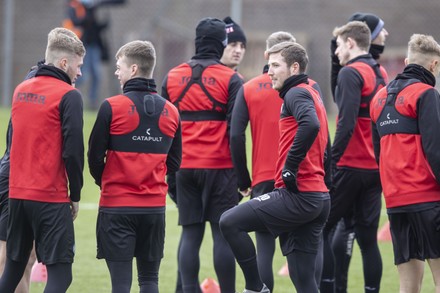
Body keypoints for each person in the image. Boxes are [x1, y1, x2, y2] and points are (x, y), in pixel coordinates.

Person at [220, 41, 330, 293]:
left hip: (298, 195)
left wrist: (290, 166)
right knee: (304, 279)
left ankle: (255, 287)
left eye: (275, 65)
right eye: (269, 65)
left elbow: (310, 124)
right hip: (318, 197)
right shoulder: (311, 91)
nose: (269, 71)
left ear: (294, 67)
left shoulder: (296, 93)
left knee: (229, 222)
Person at [88, 40, 182, 293]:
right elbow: (174, 162)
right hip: (153, 209)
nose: (116, 72)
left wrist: (106, 179)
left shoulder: (111, 107)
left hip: (117, 207)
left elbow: (94, 156)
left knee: (120, 284)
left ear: (133, 69)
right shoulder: (171, 111)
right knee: (150, 280)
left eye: (119, 67)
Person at [0, 27, 85, 293]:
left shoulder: (21, 89)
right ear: (64, 63)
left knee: (13, 269)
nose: (80, 72)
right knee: (61, 275)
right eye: (78, 65)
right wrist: (76, 194)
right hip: (49, 197)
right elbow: (72, 151)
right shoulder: (69, 95)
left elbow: (12, 142)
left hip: (17, 196)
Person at [161, 17, 243, 293]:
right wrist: (242, 176)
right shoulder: (232, 79)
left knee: (191, 234)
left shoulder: (171, 77)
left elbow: (165, 130)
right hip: (220, 167)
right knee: (222, 234)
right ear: (221, 44)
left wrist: (170, 173)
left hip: (184, 167)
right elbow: (235, 132)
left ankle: (187, 290)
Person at [370, 33, 440, 293]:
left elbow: (379, 155)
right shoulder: (426, 94)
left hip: (396, 203)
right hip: (428, 198)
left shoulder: (378, 99)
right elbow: (435, 150)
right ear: (433, 66)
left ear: (409, 61)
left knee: (408, 286)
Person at [320, 21, 386, 293]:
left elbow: (345, 124)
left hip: (348, 166)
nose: (336, 53)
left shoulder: (351, 73)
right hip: (374, 170)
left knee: (322, 228)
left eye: (337, 46)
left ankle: (328, 288)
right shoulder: (380, 71)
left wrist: (330, 163)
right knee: (368, 240)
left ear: (350, 43)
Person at [0, 59, 45, 293]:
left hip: (28, 180)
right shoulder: (34, 85)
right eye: (77, 66)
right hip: (16, 179)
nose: (79, 73)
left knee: (24, 260)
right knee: (9, 258)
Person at [65, 0, 109, 110]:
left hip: (95, 46)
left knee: (96, 75)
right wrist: (88, 10)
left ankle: (92, 101)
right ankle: (72, 95)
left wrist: (104, 24)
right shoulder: (76, 8)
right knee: (83, 75)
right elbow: (78, 22)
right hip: (85, 46)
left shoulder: (92, 9)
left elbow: (95, 27)